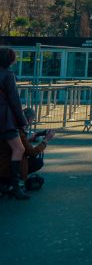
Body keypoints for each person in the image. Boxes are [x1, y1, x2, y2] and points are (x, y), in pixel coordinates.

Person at [0, 106, 52, 196]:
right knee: (38, 162)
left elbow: (17, 144)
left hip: (3, 162)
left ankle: (9, 181)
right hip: (7, 166)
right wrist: (46, 140)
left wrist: (31, 139)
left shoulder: (9, 128)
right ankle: (15, 180)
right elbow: (32, 152)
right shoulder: (18, 132)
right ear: (29, 119)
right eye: (32, 120)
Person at [0, 47, 30, 199]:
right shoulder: (8, 74)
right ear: (9, 59)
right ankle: (15, 185)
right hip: (4, 118)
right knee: (19, 149)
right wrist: (22, 121)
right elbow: (14, 100)